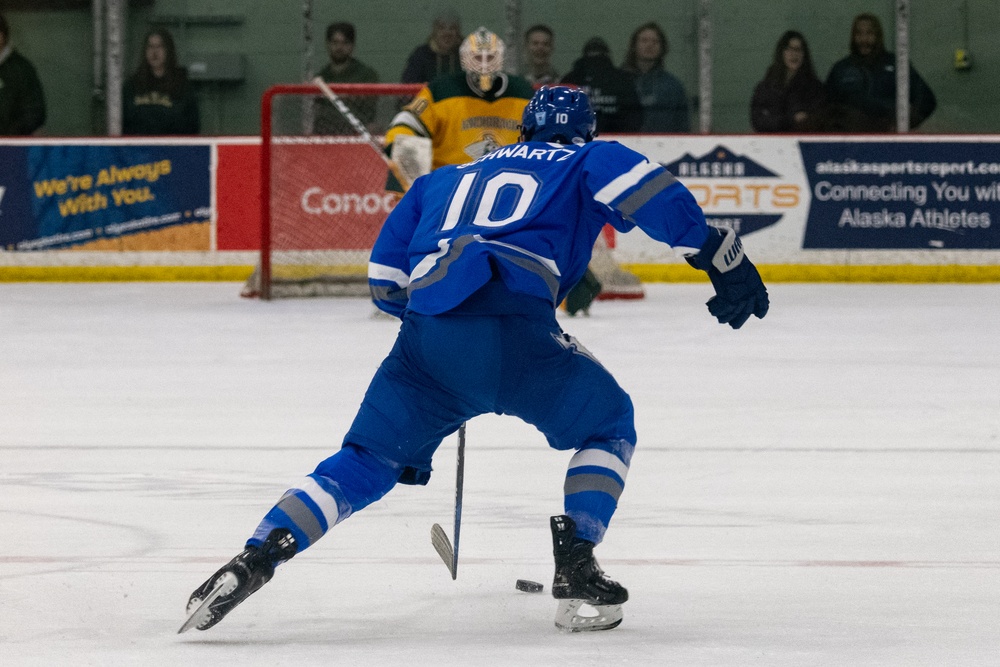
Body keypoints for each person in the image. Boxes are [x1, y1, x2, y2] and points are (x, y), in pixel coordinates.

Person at [180, 85, 769, 635]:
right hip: (520, 334)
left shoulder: (440, 179)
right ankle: (579, 564)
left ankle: (258, 554)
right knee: (608, 422)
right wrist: (721, 255)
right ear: (583, 133)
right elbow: (648, 194)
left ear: (525, 128)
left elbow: (386, 284)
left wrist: (448, 341)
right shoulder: (587, 158)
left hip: (427, 344)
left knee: (364, 459)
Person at [384, 27, 533, 192]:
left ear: (500, 58)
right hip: (450, 188)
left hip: (509, 187)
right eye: (477, 57)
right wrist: (401, 148)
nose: (484, 64)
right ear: (465, 59)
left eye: (490, 57)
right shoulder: (442, 90)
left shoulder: (523, 92)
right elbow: (408, 122)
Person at [825, 13, 936, 132]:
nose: (863, 39)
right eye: (859, 33)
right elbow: (825, 107)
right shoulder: (841, 69)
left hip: (888, 140)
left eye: (869, 33)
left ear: (878, 36)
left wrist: (905, 123)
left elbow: (926, 100)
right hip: (849, 143)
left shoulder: (896, 65)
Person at [122, 28, 199, 135]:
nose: (154, 52)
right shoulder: (132, 86)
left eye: (160, 46)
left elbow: (192, 125)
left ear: (168, 50)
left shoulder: (181, 86)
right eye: (150, 47)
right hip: (138, 149)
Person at [560, 37, 642, 133]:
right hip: (615, 139)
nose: (596, 61)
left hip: (579, 138)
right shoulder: (622, 79)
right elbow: (635, 117)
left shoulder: (570, 79)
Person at [750, 30, 827, 133]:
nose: (794, 54)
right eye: (789, 49)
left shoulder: (815, 89)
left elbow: (817, 121)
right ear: (781, 53)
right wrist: (790, 120)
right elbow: (758, 120)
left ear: (804, 55)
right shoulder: (765, 87)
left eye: (798, 50)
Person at [313, 22, 380, 134]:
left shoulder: (366, 74)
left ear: (352, 46)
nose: (339, 47)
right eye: (335, 42)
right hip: (325, 135)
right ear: (327, 44)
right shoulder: (321, 77)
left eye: (345, 43)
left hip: (358, 134)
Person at [622, 22, 689, 133]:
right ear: (634, 46)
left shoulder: (673, 86)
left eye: (655, 41)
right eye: (644, 40)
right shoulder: (618, 82)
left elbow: (682, 125)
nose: (650, 45)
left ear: (662, 47)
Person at [0, 13, 46, 135]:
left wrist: (9, 135)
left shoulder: (21, 69)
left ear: (2, 36)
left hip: (15, 146)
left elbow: (34, 112)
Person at [401, 8, 462, 84]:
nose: (447, 33)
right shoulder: (421, 55)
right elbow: (409, 84)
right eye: (441, 28)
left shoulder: (467, 55)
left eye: (452, 28)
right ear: (434, 32)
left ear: (458, 33)